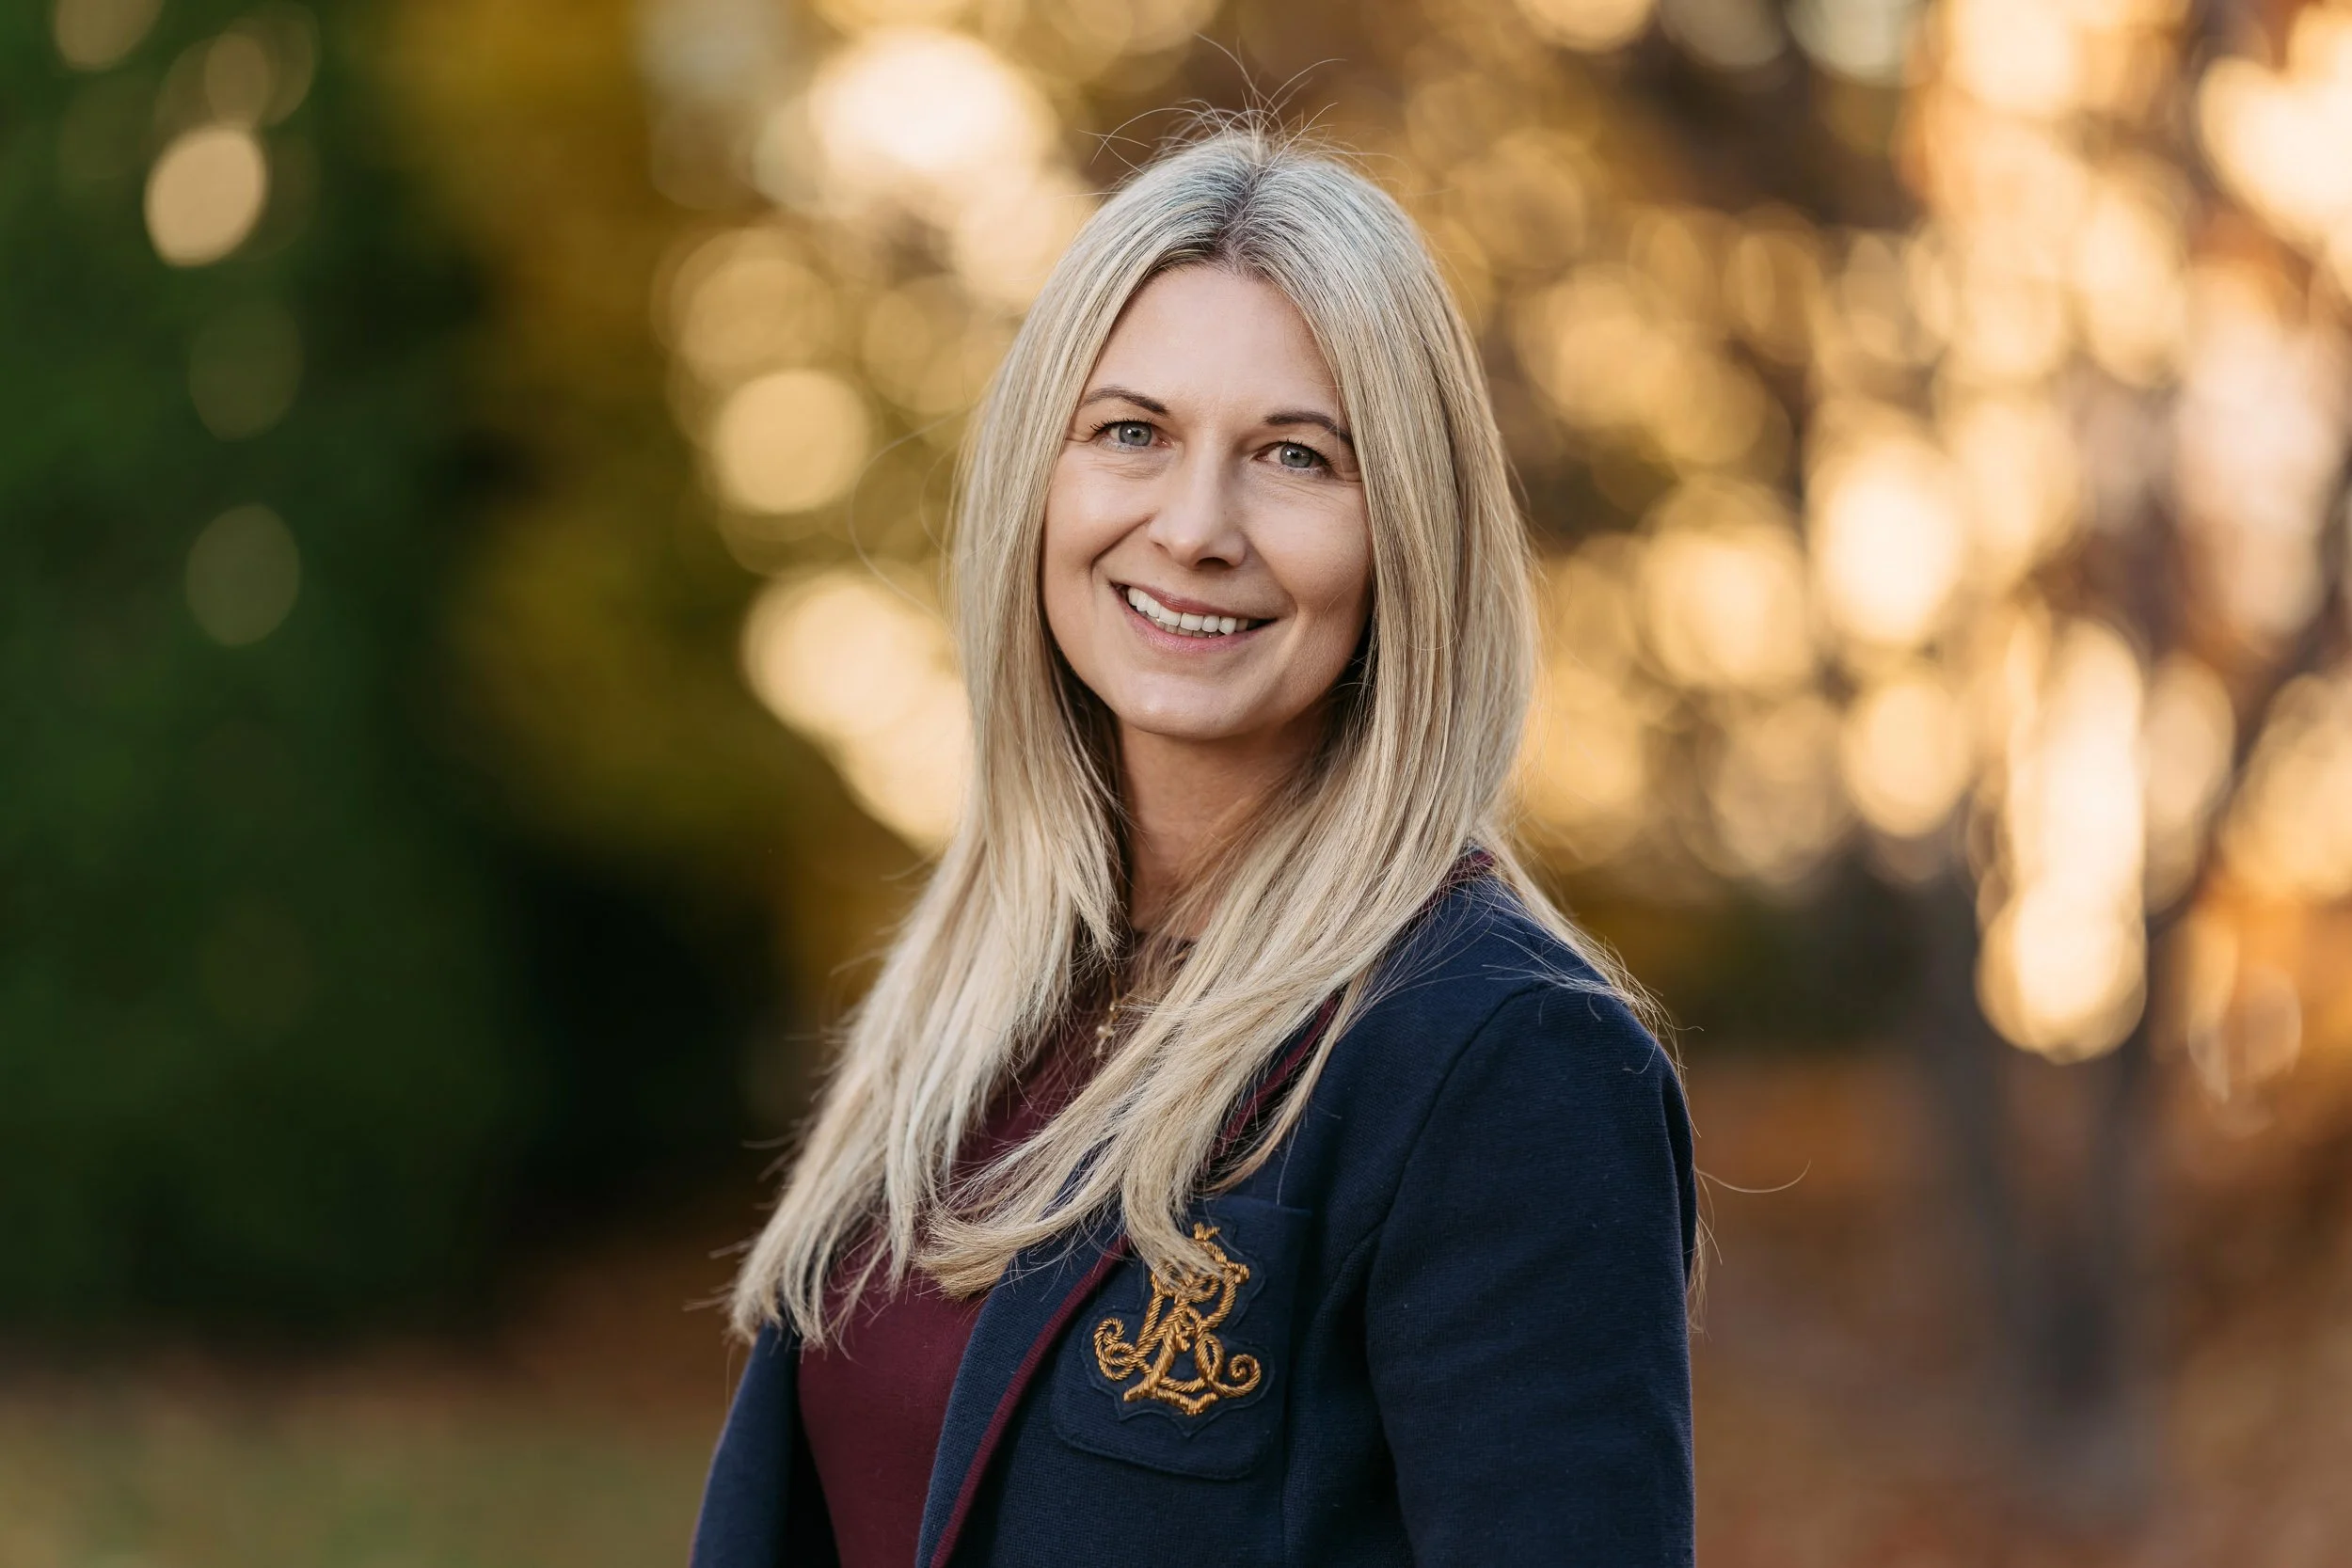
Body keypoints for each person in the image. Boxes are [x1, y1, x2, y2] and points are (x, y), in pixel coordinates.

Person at [691, 124, 1697, 1568]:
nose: (1196, 526)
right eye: (1132, 433)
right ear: (1040, 477)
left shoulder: (1507, 1061)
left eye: (1295, 456)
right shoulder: (984, 985)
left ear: (1407, 536)